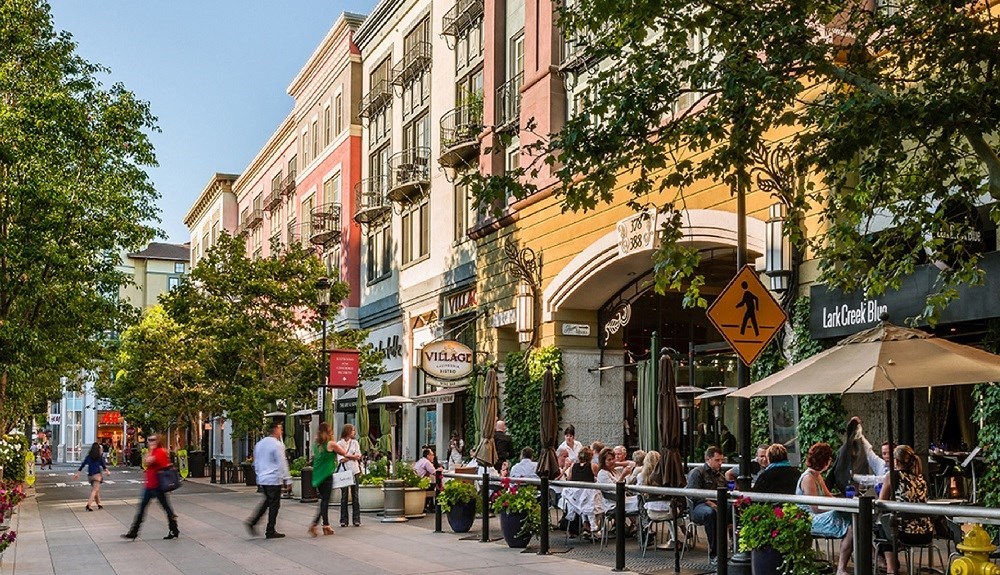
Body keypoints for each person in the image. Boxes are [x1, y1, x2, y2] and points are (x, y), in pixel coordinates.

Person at [797, 442, 854, 575]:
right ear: (825, 461)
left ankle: (873, 557)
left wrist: (843, 503)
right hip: (809, 518)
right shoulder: (808, 478)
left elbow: (828, 496)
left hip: (820, 513)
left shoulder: (817, 475)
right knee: (852, 526)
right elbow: (815, 508)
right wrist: (839, 506)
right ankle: (841, 568)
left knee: (856, 520)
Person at [876, 445, 934, 575]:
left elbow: (881, 502)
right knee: (886, 526)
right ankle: (889, 564)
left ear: (895, 461)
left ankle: (890, 568)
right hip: (925, 533)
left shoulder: (892, 476)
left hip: (903, 533)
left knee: (882, 526)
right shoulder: (921, 478)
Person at [121, 435, 178, 541]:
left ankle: (174, 529)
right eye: (149, 440)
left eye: (152, 440)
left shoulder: (160, 451)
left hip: (158, 486)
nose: (150, 442)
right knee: (143, 508)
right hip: (150, 485)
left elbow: (148, 461)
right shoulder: (154, 451)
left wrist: (150, 451)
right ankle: (134, 532)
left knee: (165, 508)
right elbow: (145, 462)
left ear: (158, 441)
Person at [308, 422, 359, 537]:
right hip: (327, 475)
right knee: (325, 502)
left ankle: (326, 525)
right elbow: (344, 453)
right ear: (328, 431)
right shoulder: (331, 444)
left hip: (317, 475)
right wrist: (354, 457)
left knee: (323, 501)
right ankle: (315, 524)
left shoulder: (316, 445)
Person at [246, 422, 292, 539]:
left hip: (263, 478)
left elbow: (256, 462)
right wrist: (287, 479)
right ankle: (270, 529)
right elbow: (282, 462)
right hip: (273, 478)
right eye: (280, 429)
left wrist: (259, 474)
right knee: (274, 505)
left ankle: (253, 522)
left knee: (268, 501)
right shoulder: (277, 445)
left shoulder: (259, 444)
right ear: (275, 430)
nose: (281, 432)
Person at [686, 446, 728, 566]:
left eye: (721, 460)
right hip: (699, 506)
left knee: (734, 509)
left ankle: (738, 549)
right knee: (711, 513)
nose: (720, 463)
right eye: (717, 460)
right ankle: (715, 554)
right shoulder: (697, 472)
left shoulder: (720, 476)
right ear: (708, 459)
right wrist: (709, 502)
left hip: (717, 505)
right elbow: (693, 494)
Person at [831, 416, 882, 493]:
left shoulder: (861, 448)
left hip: (858, 485)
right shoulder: (847, 449)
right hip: (851, 487)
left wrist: (855, 477)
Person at [337, 423, 363, 528]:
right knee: (344, 496)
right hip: (344, 472)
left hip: (354, 471)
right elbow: (340, 459)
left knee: (355, 496)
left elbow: (358, 456)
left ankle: (356, 519)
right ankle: (344, 520)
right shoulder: (339, 443)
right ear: (348, 431)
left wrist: (347, 456)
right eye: (352, 430)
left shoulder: (355, 443)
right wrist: (352, 457)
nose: (354, 432)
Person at [73, 442, 110, 511]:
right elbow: (104, 466)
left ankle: (99, 504)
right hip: (97, 475)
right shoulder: (99, 457)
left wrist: (77, 473)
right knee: (95, 490)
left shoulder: (88, 457)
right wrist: (107, 471)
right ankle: (88, 505)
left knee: (96, 490)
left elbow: (82, 465)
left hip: (90, 476)